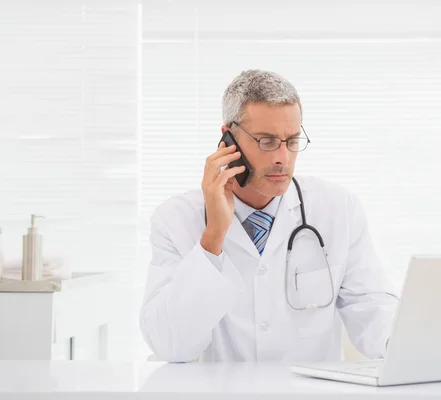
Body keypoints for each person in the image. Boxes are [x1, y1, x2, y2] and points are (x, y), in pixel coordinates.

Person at [139, 69, 398, 363]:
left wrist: (407, 349)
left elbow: (372, 307)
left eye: (292, 141)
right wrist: (213, 237)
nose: (282, 158)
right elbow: (169, 345)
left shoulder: (339, 209)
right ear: (229, 140)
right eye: (267, 141)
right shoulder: (176, 219)